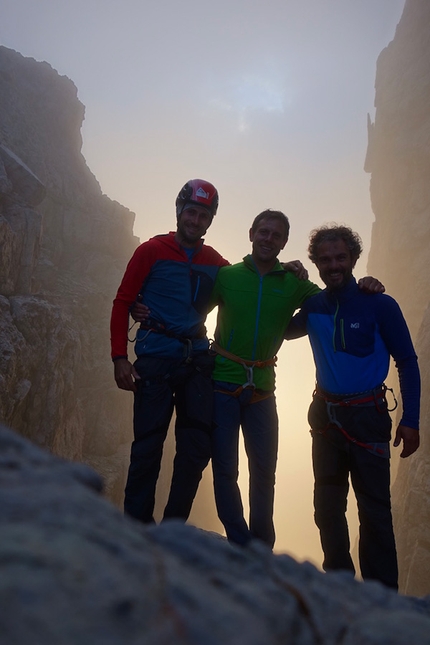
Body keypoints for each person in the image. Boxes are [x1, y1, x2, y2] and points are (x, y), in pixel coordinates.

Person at [208, 212, 383, 549]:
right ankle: (239, 540)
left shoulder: (294, 283)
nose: (268, 239)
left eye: (276, 235)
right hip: (221, 383)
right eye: (263, 232)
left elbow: (335, 297)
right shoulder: (227, 276)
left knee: (264, 472)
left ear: (284, 242)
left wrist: (366, 286)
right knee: (225, 468)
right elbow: (195, 309)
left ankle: (261, 547)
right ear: (251, 233)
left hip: (263, 388)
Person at [285, 224, 420, 589]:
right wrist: (288, 278)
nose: (333, 265)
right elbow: (280, 327)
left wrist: (411, 419)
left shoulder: (379, 304)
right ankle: (340, 590)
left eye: (340, 257)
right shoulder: (313, 306)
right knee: (327, 510)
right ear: (315, 264)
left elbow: (406, 360)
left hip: (368, 417)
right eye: (325, 259)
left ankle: (383, 601)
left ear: (353, 259)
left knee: (375, 513)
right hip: (327, 419)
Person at [110, 179, 229, 523]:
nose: (195, 220)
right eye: (191, 212)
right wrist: (120, 357)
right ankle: (137, 529)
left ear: (209, 221)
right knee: (147, 447)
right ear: (179, 211)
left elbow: (249, 282)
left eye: (203, 215)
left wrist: (290, 270)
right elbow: (123, 301)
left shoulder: (216, 262)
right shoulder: (151, 250)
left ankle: (172, 528)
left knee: (194, 450)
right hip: (156, 359)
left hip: (195, 360)